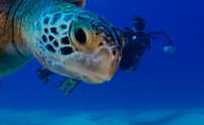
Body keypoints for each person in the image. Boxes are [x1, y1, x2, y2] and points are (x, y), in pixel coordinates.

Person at [36, 16, 174, 96]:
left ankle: (49, 70)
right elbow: (138, 56)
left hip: (117, 61)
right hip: (113, 60)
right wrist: (134, 66)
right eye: (139, 24)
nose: (139, 26)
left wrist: (133, 65)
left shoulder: (135, 36)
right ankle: (49, 69)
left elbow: (138, 54)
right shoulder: (132, 36)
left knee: (82, 63)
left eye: (139, 24)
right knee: (81, 63)